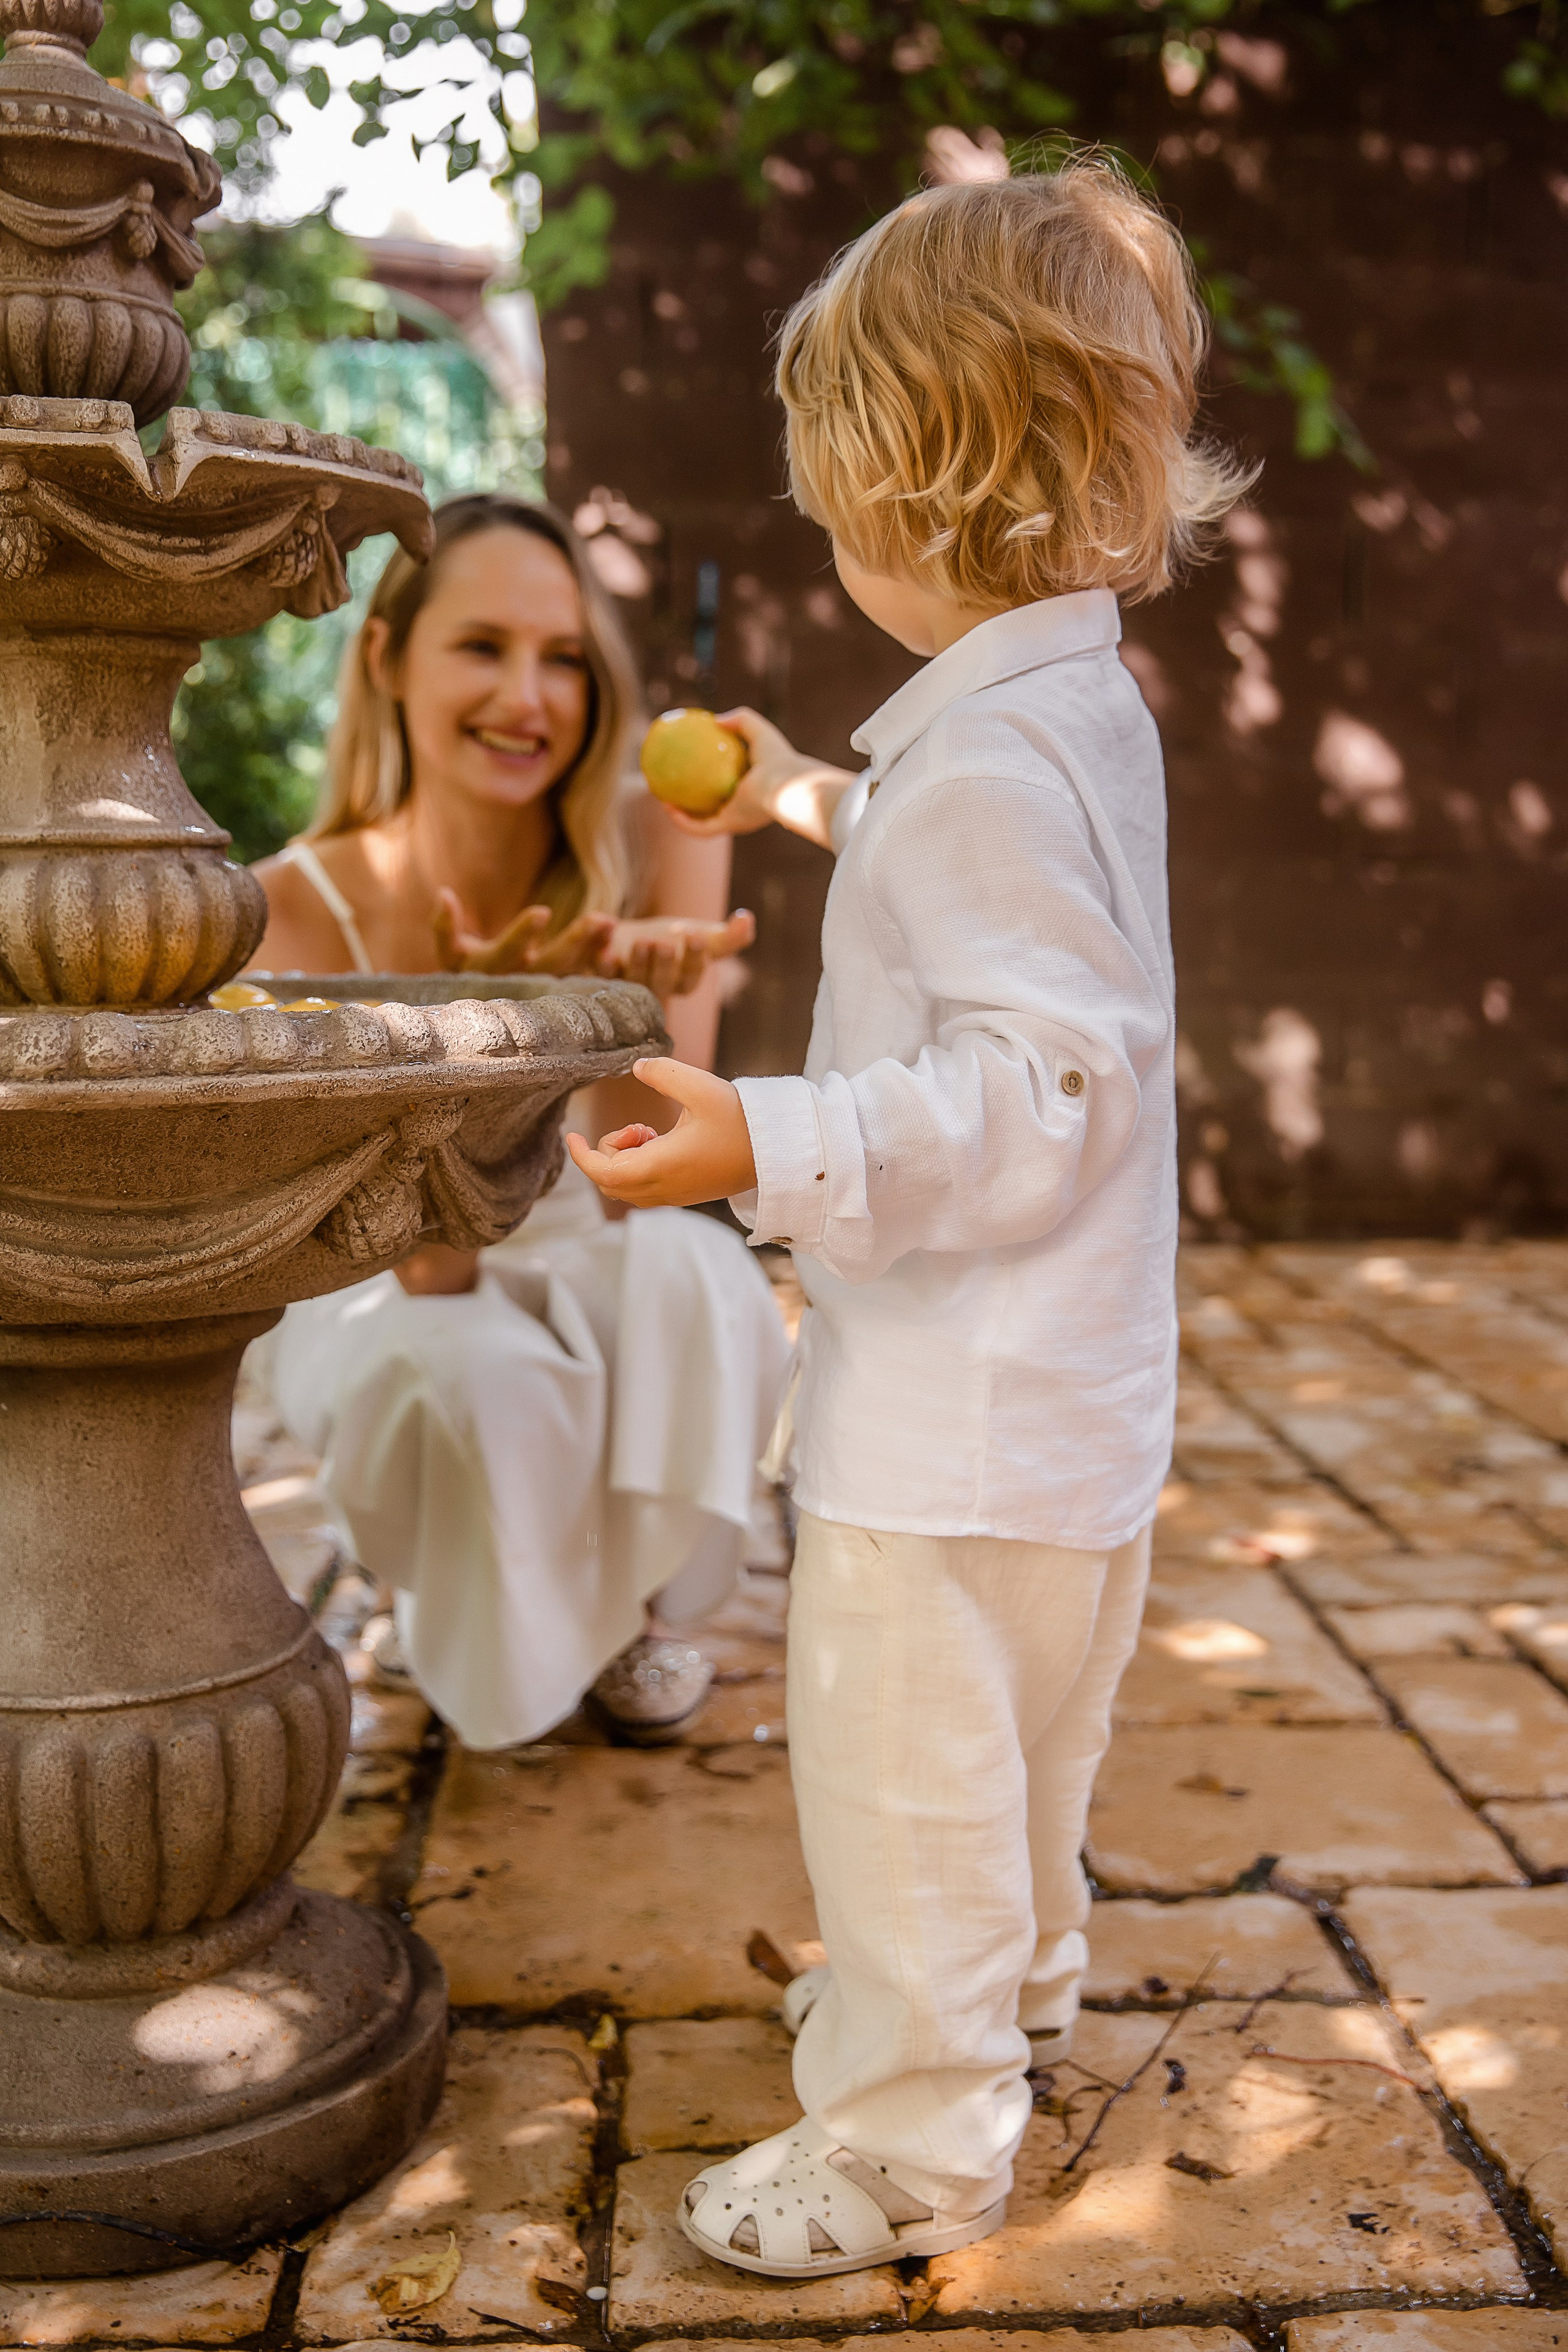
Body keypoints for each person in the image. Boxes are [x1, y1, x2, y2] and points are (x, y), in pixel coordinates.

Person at [568, 159, 1251, 2272]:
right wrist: (794, 789)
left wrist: (757, 1140)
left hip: (948, 1423)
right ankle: (1004, 1991)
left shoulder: (983, 765)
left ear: (907, 481)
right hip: (1069, 1416)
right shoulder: (1065, 709)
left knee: (903, 1773)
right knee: (1024, 1753)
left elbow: (1041, 1081)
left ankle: (909, 2136)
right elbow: (1012, 919)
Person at [249, 495, 792, 1749]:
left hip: (584, 1230)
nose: (528, 698)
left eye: (562, 657)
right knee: (467, 1368)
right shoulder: (291, 907)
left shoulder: (658, 835)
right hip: (391, 1278)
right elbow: (409, 1268)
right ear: (388, 660)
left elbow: (635, 1181)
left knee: (688, 1272)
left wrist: (617, 1010)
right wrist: (471, 1081)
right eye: (482, 647)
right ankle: (481, 1606)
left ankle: (641, 1616)